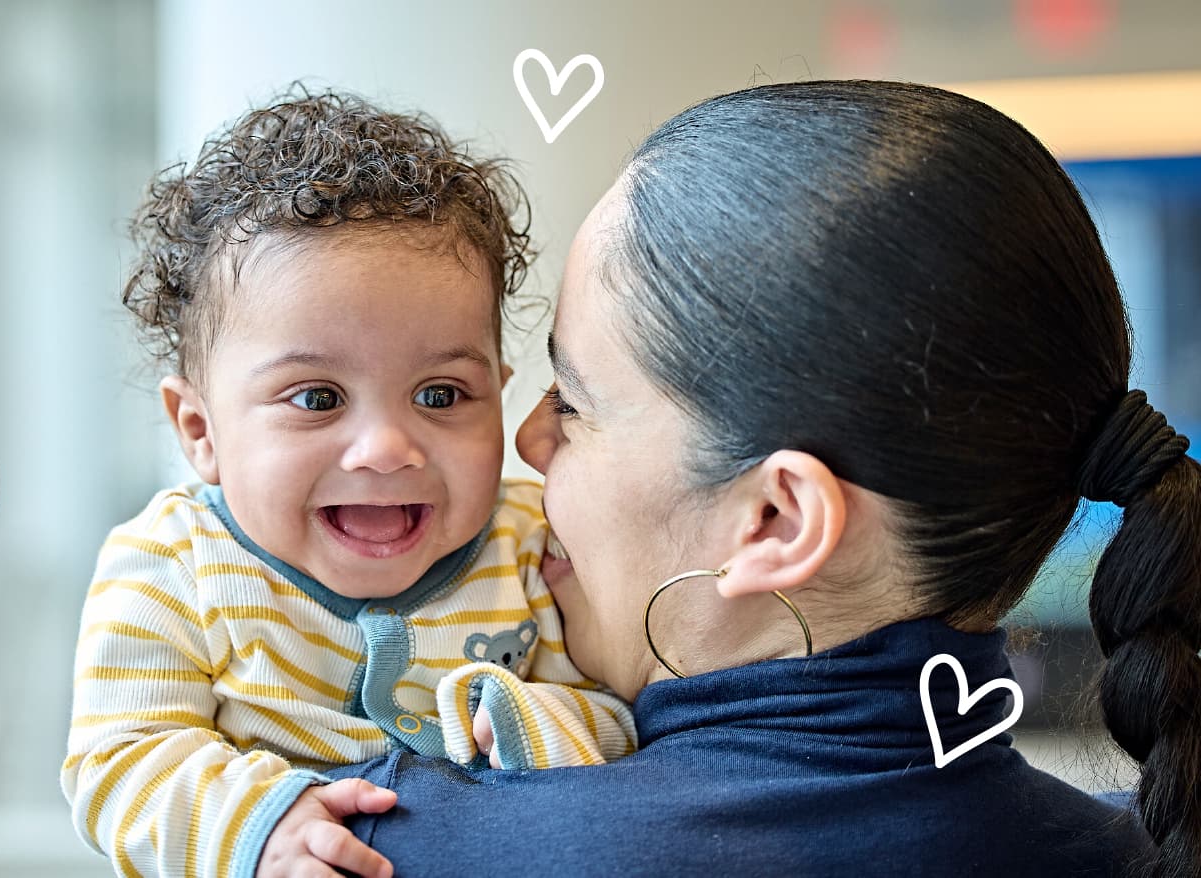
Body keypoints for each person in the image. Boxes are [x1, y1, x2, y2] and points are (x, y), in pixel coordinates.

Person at [322, 79, 1197, 877]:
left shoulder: (367, 844)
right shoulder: (1145, 851)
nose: (530, 437)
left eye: (578, 406)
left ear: (775, 518)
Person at [60, 88, 636, 878]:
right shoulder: (172, 564)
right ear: (200, 430)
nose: (386, 448)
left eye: (439, 395)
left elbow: (626, 718)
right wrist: (259, 825)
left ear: (497, 393)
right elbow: (119, 761)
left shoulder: (535, 545)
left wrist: (531, 722)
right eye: (317, 399)